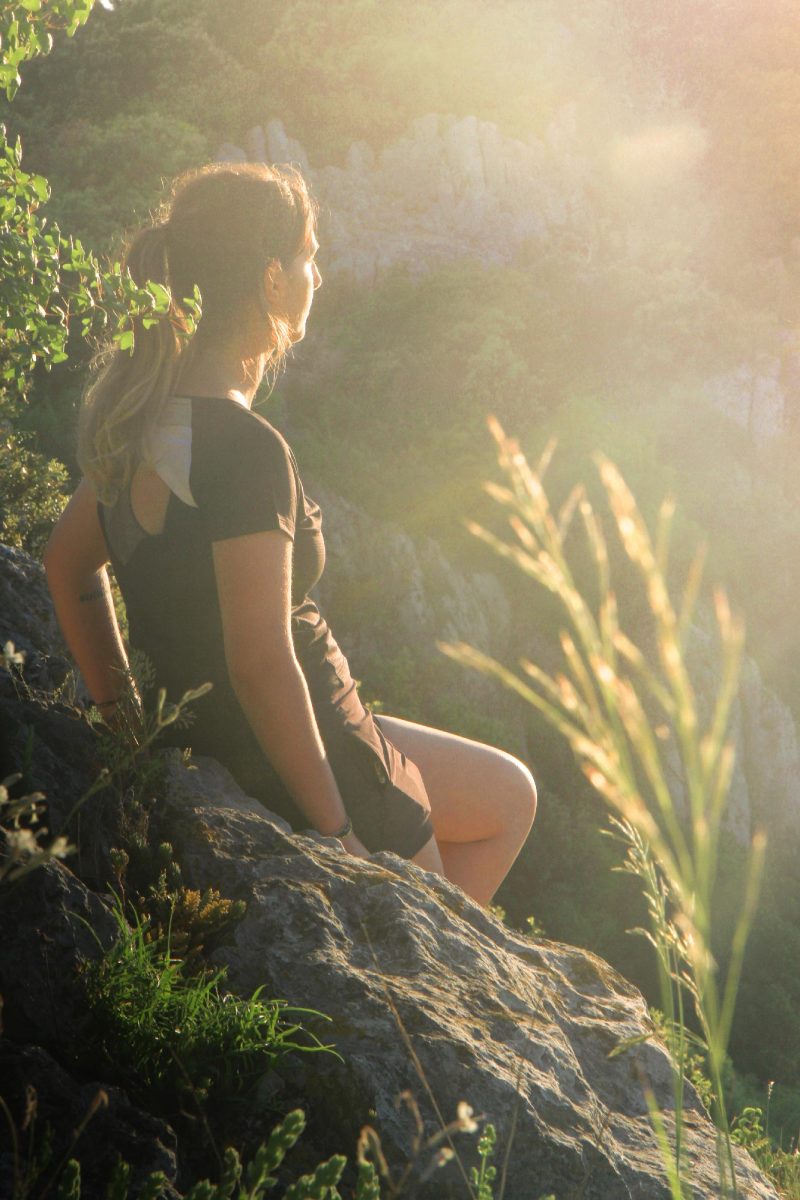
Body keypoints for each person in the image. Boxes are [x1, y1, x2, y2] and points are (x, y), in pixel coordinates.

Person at [43, 162, 536, 907]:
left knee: (508, 794)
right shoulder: (247, 448)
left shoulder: (144, 425)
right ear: (272, 278)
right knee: (444, 957)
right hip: (318, 771)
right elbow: (261, 662)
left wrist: (129, 729)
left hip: (241, 739)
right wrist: (338, 832)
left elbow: (66, 564)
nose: (318, 274)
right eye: (310, 255)